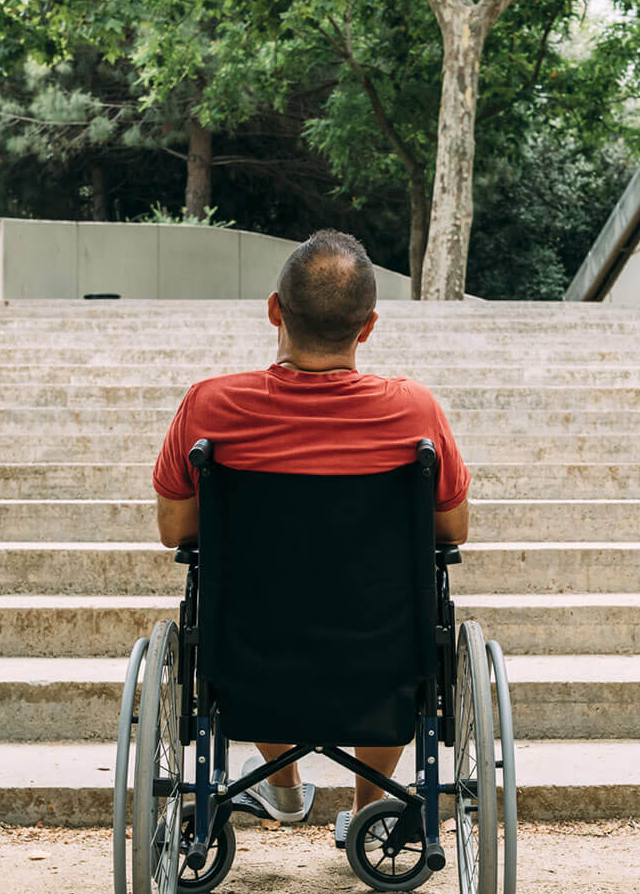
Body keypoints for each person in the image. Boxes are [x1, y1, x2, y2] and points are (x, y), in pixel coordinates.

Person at [151, 229, 470, 839]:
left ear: (275, 309)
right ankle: (373, 806)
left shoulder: (210, 406)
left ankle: (283, 789)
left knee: (254, 602)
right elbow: (452, 526)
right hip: (381, 649)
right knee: (403, 616)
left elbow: (175, 529)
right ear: (369, 325)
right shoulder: (414, 411)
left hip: (251, 651)